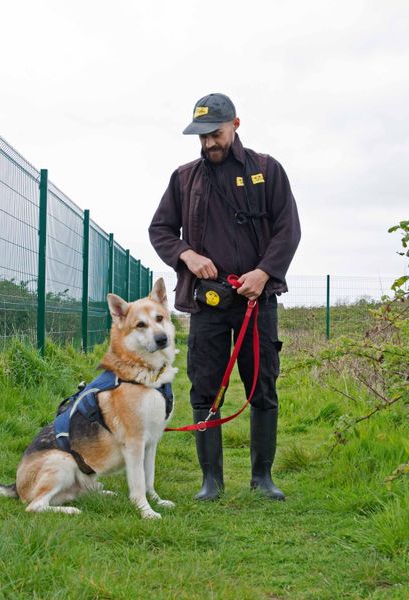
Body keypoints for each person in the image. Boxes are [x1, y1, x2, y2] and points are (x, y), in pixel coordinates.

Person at [149, 93, 301, 501]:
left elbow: (289, 229)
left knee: (262, 387)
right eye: (201, 137)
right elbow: (160, 230)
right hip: (208, 305)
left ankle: (262, 478)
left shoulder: (267, 171)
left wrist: (264, 272)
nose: (208, 144)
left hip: (257, 302)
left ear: (235, 124)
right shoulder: (184, 178)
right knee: (205, 390)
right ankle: (210, 482)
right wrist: (187, 254)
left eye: (215, 134)